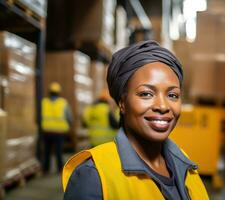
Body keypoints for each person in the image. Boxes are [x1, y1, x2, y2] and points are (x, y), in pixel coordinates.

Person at [62, 41, 209, 199]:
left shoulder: (184, 163)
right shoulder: (94, 175)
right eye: (146, 94)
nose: (162, 106)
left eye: (172, 95)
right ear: (122, 103)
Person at [42, 82, 72, 174]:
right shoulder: (63, 103)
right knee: (58, 151)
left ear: (49, 92)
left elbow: (39, 116)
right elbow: (69, 117)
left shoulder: (44, 102)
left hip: (46, 131)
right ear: (59, 92)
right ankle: (60, 169)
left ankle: (45, 169)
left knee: (46, 151)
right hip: (59, 132)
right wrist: (69, 126)